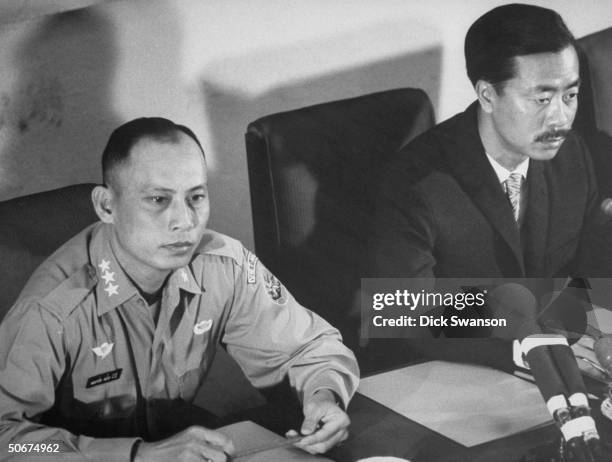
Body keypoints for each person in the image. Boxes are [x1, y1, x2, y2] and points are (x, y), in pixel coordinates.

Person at [0, 118, 359, 461]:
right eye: (158, 200)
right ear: (106, 206)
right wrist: (137, 456)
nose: (185, 222)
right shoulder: (53, 310)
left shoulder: (222, 266)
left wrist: (322, 397)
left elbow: (309, 349)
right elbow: (7, 443)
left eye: (196, 197)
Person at [366, 4, 612, 369]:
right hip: (444, 377)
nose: (560, 117)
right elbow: (406, 314)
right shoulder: (415, 183)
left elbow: (589, 266)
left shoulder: (570, 153)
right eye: (542, 99)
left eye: (570, 96)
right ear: (487, 95)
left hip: (562, 354)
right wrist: (531, 350)